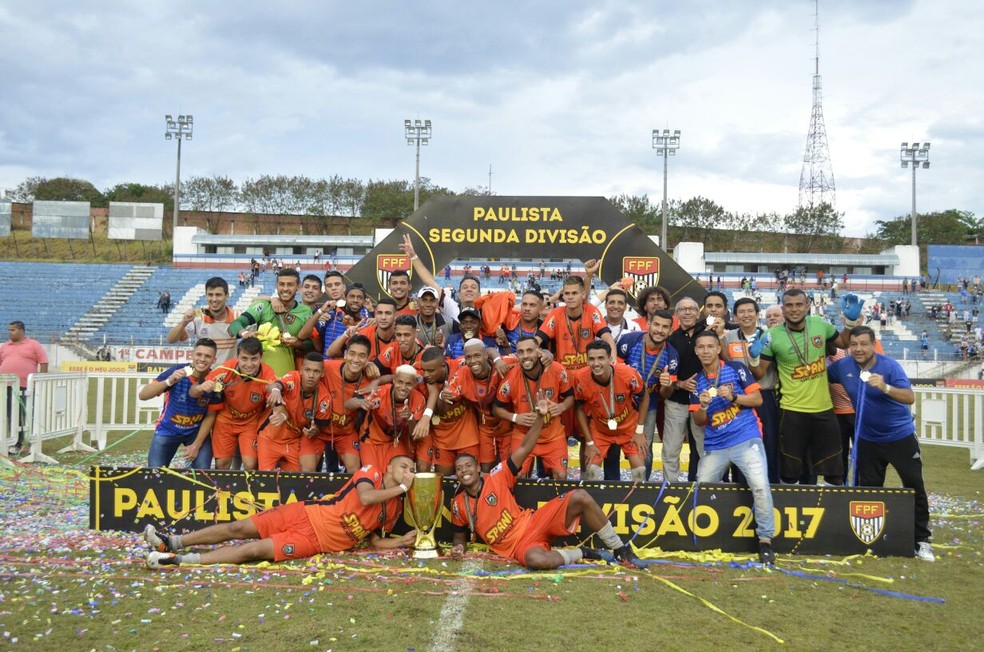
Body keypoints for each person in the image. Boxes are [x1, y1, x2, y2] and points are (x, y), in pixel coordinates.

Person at [449, 398, 644, 569]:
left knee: (580, 496)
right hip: (519, 547)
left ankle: (620, 549)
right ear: (456, 474)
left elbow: (525, 447)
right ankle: (582, 553)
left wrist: (541, 418)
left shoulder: (496, 476)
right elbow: (459, 538)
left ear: (477, 468)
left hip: (533, 522)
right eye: (459, 468)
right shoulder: (458, 504)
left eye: (468, 466)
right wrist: (458, 548)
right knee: (536, 561)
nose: (464, 470)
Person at [145, 455, 417, 567]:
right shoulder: (371, 472)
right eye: (405, 466)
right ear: (389, 468)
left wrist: (401, 542)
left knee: (252, 551)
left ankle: (178, 560)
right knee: (238, 528)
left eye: (413, 470)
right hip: (305, 513)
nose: (409, 472)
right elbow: (366, 498)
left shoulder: (394, 507)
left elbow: (373, 539)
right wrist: (403, 488)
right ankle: (173, 541)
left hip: (314, 542)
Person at [826, 326, 934, 562]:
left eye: (864, 344)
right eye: (854, 344)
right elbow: (819, 377)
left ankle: (922, 540)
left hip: (900, 437)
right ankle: (871, 539)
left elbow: (909, 396)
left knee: (914, 485)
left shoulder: (889, 366)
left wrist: (884, 387)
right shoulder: (843, 366)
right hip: (867, 440)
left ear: (873, 345)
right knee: (869, 491)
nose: (858, 349)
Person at [748, 289, 861, 485]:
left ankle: (828, 513)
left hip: (824, 409)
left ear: (807, 306)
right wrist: (754, 357)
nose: (794, 309)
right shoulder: (772, 335)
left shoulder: (820, 326)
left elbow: (843, 343)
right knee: (790, 472)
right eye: (789, 305)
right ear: (783, 309)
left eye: (799, 305)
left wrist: (850, 324)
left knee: (833, 472)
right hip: (791, 411)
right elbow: (758, 374)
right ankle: (789, 512)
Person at [688, 331, 776, 565]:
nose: (706, 351)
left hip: (745, 438)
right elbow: (698, 420)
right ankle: (705, 535)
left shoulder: (736, 368)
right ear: (696, 351)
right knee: (701, 488)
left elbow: (757, 399)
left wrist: (734, 398)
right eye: (701, 347)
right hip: (715, 445)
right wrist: (704, 406)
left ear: (718, 348)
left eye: (710, 346)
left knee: (759, 486)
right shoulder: (696, 382)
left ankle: (765, 541)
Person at [186, 337, 278, 470]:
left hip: (250, 423)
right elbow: (192, 392)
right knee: (221, 465)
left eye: (254, 359)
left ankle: (247, 491)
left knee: (251, 464)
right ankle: (222, 491)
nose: (249, 364)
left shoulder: (267, 372)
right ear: (237, 356)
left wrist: (276, 390)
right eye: (244, 358)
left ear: (261, 357)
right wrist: (200, 388)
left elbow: (273, 386)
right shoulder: (226, 369)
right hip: (225, 422)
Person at [493, 336, 573, 479]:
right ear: (516, 355)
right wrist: (515, 417)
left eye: (529, 351)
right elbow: (496, 408)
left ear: (539, 352)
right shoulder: (511, 377)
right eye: (521, 352)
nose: (525, 356)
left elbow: (570, 397)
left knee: (560, 476)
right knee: (517, 477)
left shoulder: (557, 369)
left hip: (552, 435)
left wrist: (562, 406)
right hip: (524, 434)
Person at [722, 298, 781, 483]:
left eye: (750, 311)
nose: (746, 315)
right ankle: (740, 486)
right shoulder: (728, 337)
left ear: (757, 314)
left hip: (764, 395)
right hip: (738, 397)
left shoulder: (769, 336)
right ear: (735, 316)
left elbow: (762, 373)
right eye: (741, 311)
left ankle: (771, 484)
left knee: (769, 442)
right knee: (740, 443)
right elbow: (726, 364)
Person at [617, 310, 679, 481]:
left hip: (649, 404)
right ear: (649, 324)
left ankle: (643, 486)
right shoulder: (629, 341)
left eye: (665, 327)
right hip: (622, 402)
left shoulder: (672, 356)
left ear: (670, 331)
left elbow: (665, 394)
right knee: (614, 445)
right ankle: (611, 483)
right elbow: (614, 373)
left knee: (645, 446)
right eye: (656, 324)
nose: (660, 330)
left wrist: (667, 385)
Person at [573, 341, 648, 481]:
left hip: (628, 427)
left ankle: (636, 501)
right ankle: (592, 501)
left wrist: (639, 431)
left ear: (610, 359)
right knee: (591, 473)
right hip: (600, 430)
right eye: (591, 359)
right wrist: (589, 443)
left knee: (639, 471)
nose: (596, 363)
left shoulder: (628, 373)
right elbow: (579, 408)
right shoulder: (580, 377)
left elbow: (645, 398)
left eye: (601, 358)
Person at [139, 338, 217, 469]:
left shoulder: (215, 379)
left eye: (207, 356)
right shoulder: (178, 371)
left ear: (214, 360)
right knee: (155, 473)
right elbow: (143, 395)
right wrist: (169, 381)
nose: (202, 359)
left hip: (195, 432)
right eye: (199, 354)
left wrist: (196, 445)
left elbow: (211, 415)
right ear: (192, 355)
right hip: (168, 430)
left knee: (203, 471)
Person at [228, 269, 313, 376]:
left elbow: (310, 344)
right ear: (276, 285)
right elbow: (234, 325)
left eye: (290, 285)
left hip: (287, 375)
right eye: (281, 284)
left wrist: (298, 344)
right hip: (257, 374)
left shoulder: (305, 311)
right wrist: (246, 334)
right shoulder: (264, 306)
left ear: (298, 287)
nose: (285, 288)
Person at [258, 353, 331, 472]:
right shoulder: (293, 377)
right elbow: (276, 385)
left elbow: (320, 428)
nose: (311, 375)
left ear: (322, 373)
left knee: (294, 482)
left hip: (293, 441)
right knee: (266, 479)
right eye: (307, 370)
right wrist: (276, 390)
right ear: (301, 369)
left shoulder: (324, 398)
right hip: (270, 438)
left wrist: (314, 430)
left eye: (316, 371)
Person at [662, 297, 709, 482]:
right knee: (671, 449)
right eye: (683, 309)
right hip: (677, 400)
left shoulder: (707, 335)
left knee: (704, 448)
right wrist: (680, 383)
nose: (688, 312)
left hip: (703, 401)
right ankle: (670, 487)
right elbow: (666, 370)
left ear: (698, 313)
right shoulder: (670, 339)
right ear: (677, 314)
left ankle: (705, 486)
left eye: (691, 309)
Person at [448, 338, 512, 473]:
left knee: (509, 468)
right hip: (485, 429)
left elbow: (529, 358)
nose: (473, 361)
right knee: (485, 468)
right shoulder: (462, 373)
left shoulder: (503, 364)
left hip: (508, 427)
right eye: (468, 357)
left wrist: (547, 354)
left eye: (477, 356)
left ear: (486, 355)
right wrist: (443, 395)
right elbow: (448, 394)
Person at [418, 347, 480, 475]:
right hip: (442, 439)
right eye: (423, 370)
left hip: (466, 435)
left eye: (430, 371)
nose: (426, 375)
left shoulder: (460, 366)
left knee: (469, 478)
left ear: (442, 365)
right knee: (444, 482)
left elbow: (485, 354)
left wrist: (497, 359)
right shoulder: (424, 380)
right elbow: (441, 409)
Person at [357, 365, 426, 471]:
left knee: (398, 474)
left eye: (408, 384)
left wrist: (410, 417)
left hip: (395, 442)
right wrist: (361, 403)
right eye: (400, 382)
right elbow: (349, 403)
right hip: (371, 440)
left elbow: (414, 436)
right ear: (394, 380)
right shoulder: (381, 393)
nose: (403, 387)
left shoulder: (419, 399)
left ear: (414, 384)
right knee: (374, 475)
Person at [0, 321, 48, 455]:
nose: (10, 332)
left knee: (29, 415)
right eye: (9, 330)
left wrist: (40, 380)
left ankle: (33, 443)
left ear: (21, 330)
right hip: (8, 386)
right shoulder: (5, 346)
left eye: (13, 330)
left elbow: (43, 362)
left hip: (26, 386)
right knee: (11, 415)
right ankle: (16, 442)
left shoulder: (33, 345)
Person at [167, 277, 239, 365]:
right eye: (210, 295)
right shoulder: (198, 316)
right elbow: (171, 339)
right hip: (204, 374)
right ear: (206, 295)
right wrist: (184, 322)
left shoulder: (237, 316)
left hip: (227, 374)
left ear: (227, 295)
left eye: (218, 295)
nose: (214, 299)